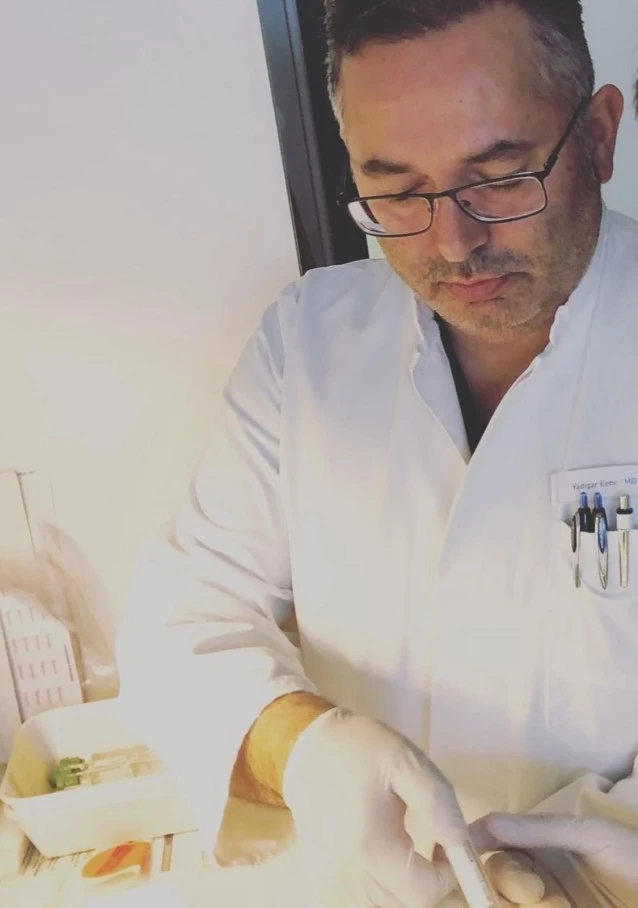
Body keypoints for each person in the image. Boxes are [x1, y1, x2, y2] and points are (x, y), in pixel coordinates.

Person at [117, 1, 638, 905]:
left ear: (597, 136)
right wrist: (303, 749)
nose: (453, 243)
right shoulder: (310, 343)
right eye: (396, 191)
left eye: (499, 176)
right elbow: (182, 617)